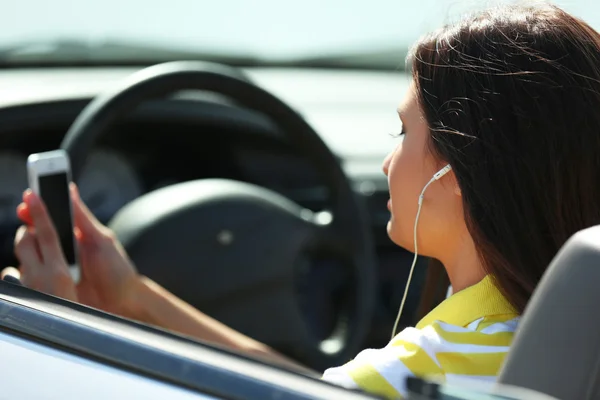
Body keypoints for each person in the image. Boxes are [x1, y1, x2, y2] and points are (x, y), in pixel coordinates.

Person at [4, 2, 600, 399]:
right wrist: (136, 298)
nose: (390, 161)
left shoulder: (427, 365)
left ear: (456, 173)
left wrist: (69, 319)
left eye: (403, 134)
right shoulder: (542, 331)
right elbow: (316, 390)